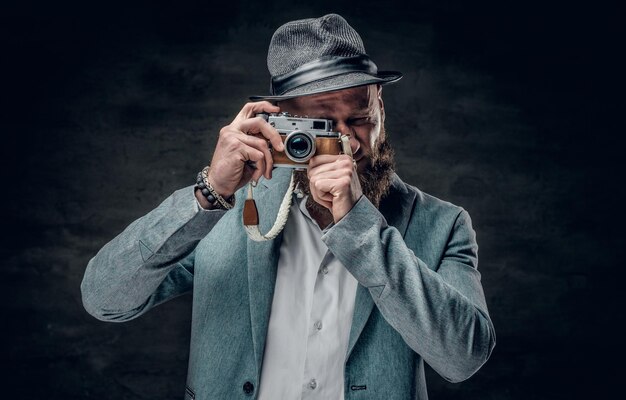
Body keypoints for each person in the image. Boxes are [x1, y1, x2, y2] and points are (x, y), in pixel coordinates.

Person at [81, 13, 495, 400]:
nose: (348, 143)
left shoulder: (443, 224)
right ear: (278, 122)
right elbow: (105, 299)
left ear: (381, 107)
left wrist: (359, 229)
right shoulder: (229, 212)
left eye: (360, 119)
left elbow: (464, 359)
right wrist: (208, 195)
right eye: (323, 126)